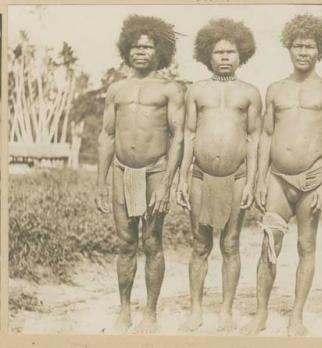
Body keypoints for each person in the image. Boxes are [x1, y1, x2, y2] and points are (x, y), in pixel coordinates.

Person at [241, 14, 322, 336]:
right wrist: (258, 180)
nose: (303, 52)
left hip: (312, 177)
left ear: (320, 49)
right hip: (278, 178)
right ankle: (260, 314)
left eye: (309, 46)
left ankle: (296, 315)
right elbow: (266, 136)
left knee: (306, 245)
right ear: (289, 48)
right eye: (297, 46)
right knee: (269, 243)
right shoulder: (276, 90)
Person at [95, 15, 185, 333]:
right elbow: (106, 136)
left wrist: (168, 184)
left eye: (148, 46)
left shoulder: (170, 90)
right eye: (135, 46)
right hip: (122, 171)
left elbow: (178, 137)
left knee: (152, 242)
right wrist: (100, 181)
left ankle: (150, 311)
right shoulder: (116, 89)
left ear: (159, 50)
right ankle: (124, 310)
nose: (141, 51)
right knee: (125, 243)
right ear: (126, 49)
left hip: (155, 171)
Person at [176, 18, 262, 332]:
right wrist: (181, 178)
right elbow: (188, 133)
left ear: (242, 55)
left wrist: (253, 181)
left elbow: (254, 138)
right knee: (200, 244)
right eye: (218, 52)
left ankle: (226, 311)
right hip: (201, 174)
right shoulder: (196, 91)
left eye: (231, 52)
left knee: (231, 243)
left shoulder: (250, 93)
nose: (225, 57)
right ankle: (196, 309)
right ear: (207, 56)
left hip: (237, 176)